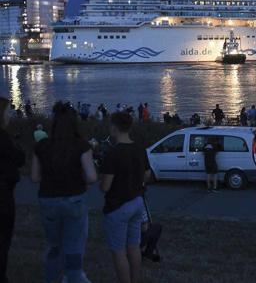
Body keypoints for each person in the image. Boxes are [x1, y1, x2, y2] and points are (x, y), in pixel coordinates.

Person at [31, 102, 98, 283]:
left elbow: (35, 177)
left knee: (54, 245)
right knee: (74, 246)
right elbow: (92, 177)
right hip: (74, 199)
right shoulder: (81, 146)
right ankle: (74, 277)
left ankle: (52, 278)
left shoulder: (42, 146)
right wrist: (81, 178)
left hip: (48, 201)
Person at [100, 111, 149, 283]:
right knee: (133, 246)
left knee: (119, 251)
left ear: (114, 128)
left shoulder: (112, 154)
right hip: (137, 202)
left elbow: (105, 187)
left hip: (117, 206)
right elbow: (147, 174)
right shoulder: (139, 148)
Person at [0, 97, 25, 283]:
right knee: (3, 239)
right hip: (3, 197)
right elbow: (18, 158)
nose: (10, 115)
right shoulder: (3, 137)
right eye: (7, 112)